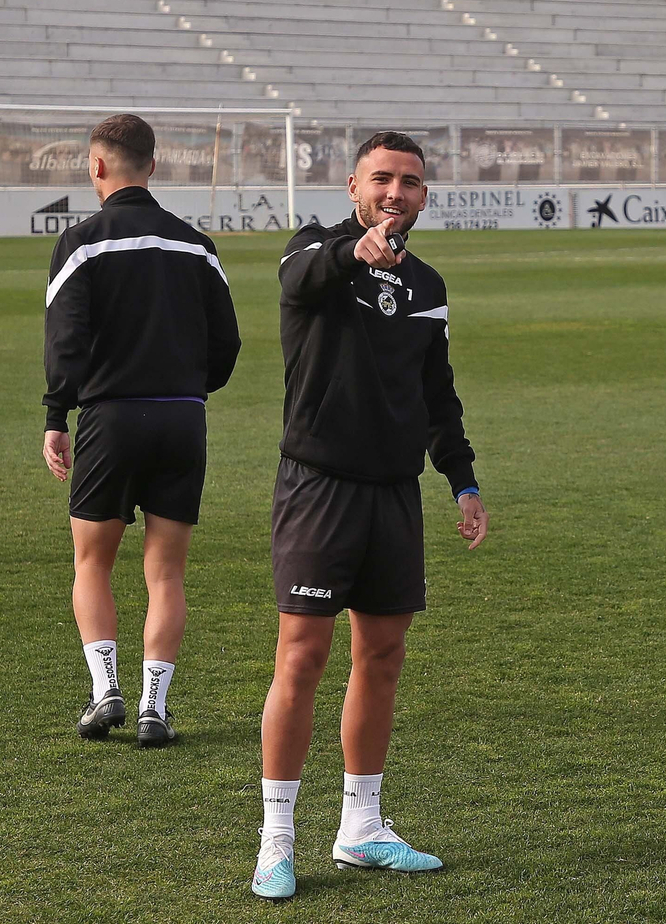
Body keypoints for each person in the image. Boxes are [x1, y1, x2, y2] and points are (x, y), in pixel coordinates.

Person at [252, 132, 489, 900]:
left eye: (411, 183)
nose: (396, 192)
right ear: (353, 185)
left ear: (425, 196)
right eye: (382, 178)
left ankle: (361, 826)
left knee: (382, 655)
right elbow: (298, 280)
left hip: (394, 492)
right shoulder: (315, 253)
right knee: (302, 657)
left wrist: (461, 478)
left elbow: (437, 393)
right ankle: (277, 840)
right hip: (319, 487)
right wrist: (358, 254)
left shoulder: (428, 285)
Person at [42, 113, 240, 747]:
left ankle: (107, 694)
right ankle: (156, 708)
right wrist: (190, 390)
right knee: (167, 572)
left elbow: (66, 341)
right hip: (184, 417)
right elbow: (228, 342)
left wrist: (56, 415)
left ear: (96, 167)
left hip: (111, 417)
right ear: (152, 167)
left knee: (93, 561)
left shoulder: (81, 242)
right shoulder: (197, 244)